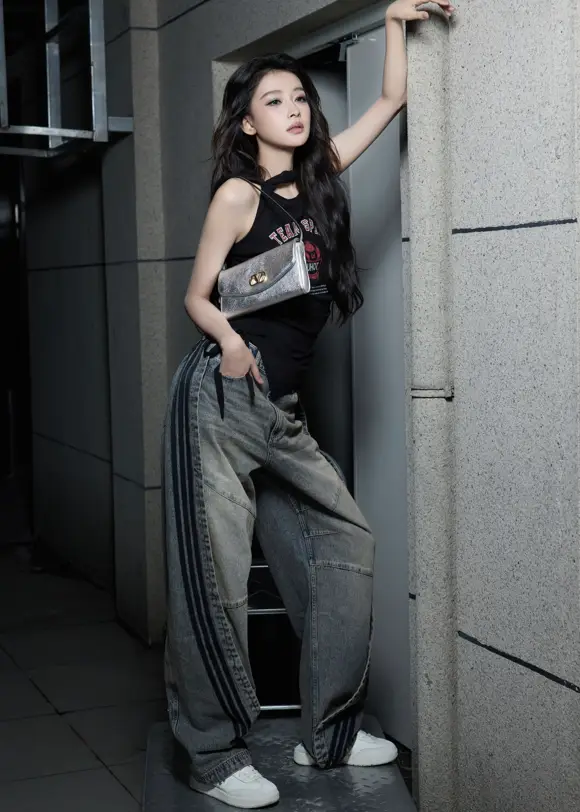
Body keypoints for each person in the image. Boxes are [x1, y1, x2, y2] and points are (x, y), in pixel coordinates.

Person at [163, 1, 455, 808]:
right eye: (274, 101)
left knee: (344, 540)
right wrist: (228, 341)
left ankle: (328, 729)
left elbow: (390, 100)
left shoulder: (319, 172)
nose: (293, 109)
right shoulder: (237, 194)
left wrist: (392, 20)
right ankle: (214, 754)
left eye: (299, 97)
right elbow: (196, 295)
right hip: (224, 396)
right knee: (215, 576)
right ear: (247, 123)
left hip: (281, 408)